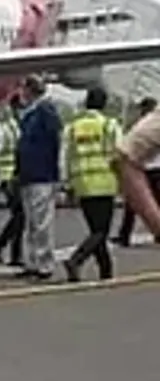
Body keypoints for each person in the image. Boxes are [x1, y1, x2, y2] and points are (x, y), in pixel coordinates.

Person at [61, 87, 121, 282]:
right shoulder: (109, 125)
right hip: (104, 182)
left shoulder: (73, 127)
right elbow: (119, 154)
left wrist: (66, 183)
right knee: (101, 231)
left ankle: (106, 270)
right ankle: (76, 259)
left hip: (82, 183)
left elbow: (65, 156)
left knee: (96, 229)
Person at [14, 75, 61, 281]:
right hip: (29, 174)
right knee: (32, 222)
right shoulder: (29, 113)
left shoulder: (45, 111)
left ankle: (44, 264)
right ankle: (32, 261)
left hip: (42, 174)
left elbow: (55, 140)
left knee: (42, 222)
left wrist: (57, 173)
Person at [114, 97, 160, 246]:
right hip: (148, 169)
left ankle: (125, 235)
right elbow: (126, 155)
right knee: (131, 207)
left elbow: (125, 154)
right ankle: (125, 235)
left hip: (152, 169)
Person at [0, 94, 25, 267]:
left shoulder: (17, 126)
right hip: (7, 177)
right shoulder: (4, 128)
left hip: (17, 176)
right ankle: (3, 246)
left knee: (20, 216)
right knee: (20, 215)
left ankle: (9, 250)